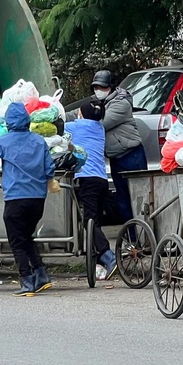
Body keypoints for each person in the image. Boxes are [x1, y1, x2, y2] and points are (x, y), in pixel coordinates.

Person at [0, 102, 59, 296]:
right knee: (26, 236)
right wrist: (50, 182)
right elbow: (49, 167)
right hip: (37, 199)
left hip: (16, 198)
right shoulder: (39, 141)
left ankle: (27, 281)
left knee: (16, 241)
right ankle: (41, 275)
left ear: (8, 122)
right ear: (26, 120)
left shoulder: (4, 142)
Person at [68, 70, 144, 223]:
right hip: (116, 157)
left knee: (137, 201)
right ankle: (130, 239)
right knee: (123, 201)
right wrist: (58, 114)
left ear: (111, 87)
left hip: (131, 155)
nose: (99, 91)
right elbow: (80, 112)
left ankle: (141, 238)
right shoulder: (96, 102)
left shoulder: (121, 103)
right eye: (96, 87)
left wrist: (77, 123)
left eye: (102, 87)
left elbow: (98, 123)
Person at [66, 117, 116, 279]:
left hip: (87, 179)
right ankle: (98, 263)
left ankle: (109, 256)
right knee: (96, 221)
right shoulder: (100, 127)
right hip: (102, 180)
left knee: (90, 220)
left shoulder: (77, 126)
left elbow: (58, 126)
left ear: (80, 114)